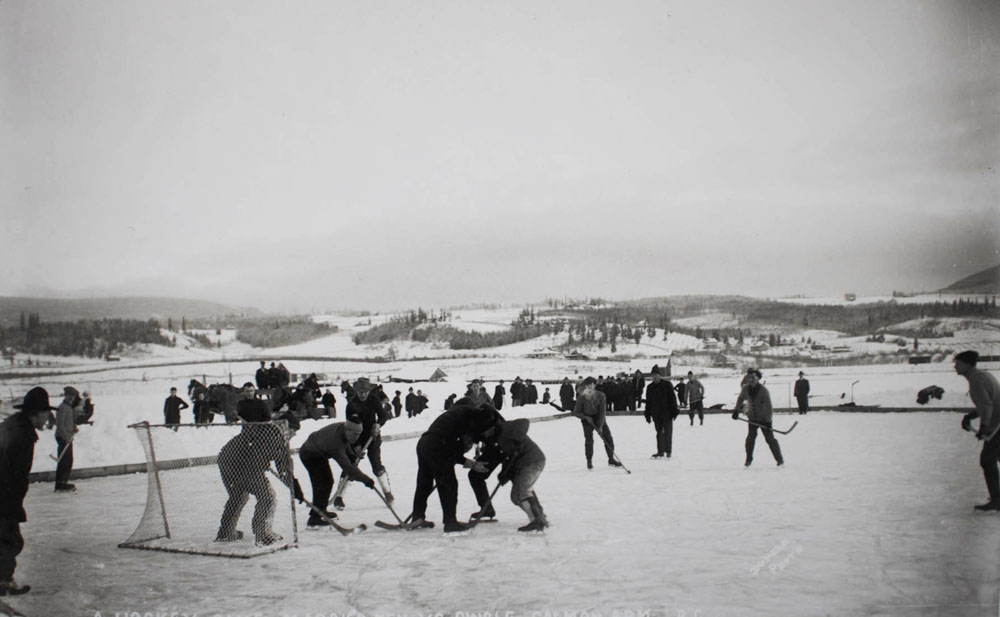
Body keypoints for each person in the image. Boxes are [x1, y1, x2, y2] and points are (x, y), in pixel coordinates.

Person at [215, 385, 296, 545]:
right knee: (267, 497)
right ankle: (263, 534)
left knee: (239, 495)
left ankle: (226, 532)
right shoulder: (273, 435)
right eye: (294, 431)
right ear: (287, 429)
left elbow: (282, 463)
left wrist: (292, 485)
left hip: (228, 461)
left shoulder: (271, 433)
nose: (295, 434)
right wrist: (265, 466)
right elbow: (259, 460)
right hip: (240, 464)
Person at [406, 403, 501, 532]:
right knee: (448, 483)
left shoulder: (460, 413)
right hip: (438, 444)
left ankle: (418, 516)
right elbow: (450, 451)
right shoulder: (466, 421)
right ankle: (450, 522)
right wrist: (470, 463)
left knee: (424, 483)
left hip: (424, 442)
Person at [0, 387, 57, 596]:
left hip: (5, 494)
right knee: (10, 539)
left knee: (8, 538)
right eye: (46, 413)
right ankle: (3, 582)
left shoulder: (13, 425)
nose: (48, 418)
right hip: (5, 495)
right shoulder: (23, 435)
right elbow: (11, 471)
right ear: (37, 412)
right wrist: (12, 503)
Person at [298, 416, 375, 527]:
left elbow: (346, 443)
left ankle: (321, 510)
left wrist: (352, 455)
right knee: (323, 482)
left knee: (326, 481)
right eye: (355, 434)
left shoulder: (344, 428)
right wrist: (366, 480)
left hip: (318, 450)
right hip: (310, 454)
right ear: (347, 430)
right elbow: (348, 468)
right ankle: (314, 518)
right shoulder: (335, 443)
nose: (357, 438)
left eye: (358, 434)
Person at [333, 378, 392, 509]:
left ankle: (388, 493)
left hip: (373, 436)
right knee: (350, 465)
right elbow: (350, 426)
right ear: (356, 391)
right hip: (356, 437)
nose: (363, 394)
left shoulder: (374, 400)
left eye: (365, 391)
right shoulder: (352, 405)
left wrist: (378, 424)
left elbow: (383, 416)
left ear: (369, 391)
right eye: (360, 392)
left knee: (376, 465)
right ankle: (339, 496)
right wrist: (356, 445)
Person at [954, 351, 1000, 512]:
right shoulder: (982, 376)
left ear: (967, 364)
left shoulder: (977, 380)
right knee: (993, 458)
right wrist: (970, 416)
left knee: (987, 460)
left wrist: (984, 427)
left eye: (958, 363)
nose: (955, 367)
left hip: (997, 426)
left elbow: (987, 405)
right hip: (996, 424)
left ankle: (996, 501)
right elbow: (986, 402)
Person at [494, 418, 548, 532]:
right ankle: (540, 516)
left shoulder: (506, 431)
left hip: (532, 462)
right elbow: (508, 458)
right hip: (526, 463)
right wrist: (504, 474)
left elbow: (524, 422)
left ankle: (537, 521)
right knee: (517, 495)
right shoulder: (498, 437)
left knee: (520, 493)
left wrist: (517, 438)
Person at [732, 369, 784, 467]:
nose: (751, 379)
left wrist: (768, 421)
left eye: (753, 377)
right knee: (750, 439)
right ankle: (749, 459)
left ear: (758, 378)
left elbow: (769, 407)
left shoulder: (763, 391)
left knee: (770, 439)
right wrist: (736, 410)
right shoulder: (745, 389)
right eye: (749, 377)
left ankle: (779, 460)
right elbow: (740, 398)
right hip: (752, 418)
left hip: (764, 419)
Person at [573, 377, 619, 469]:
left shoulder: (601, 395)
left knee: (608, 438)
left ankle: (611, 458)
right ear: (585, 386)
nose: (590, 386)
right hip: (586, 419)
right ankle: (589, 460)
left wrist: (601, 426)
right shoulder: (581, 397)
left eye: (592, 384)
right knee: (589, 440)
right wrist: (586, 417)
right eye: (588, 384)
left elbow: (602, 412)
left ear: (595, 385)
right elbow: (576, 412)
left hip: (598, 418)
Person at [644, 371, 679, 458]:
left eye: (656, 375)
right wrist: (647, 414)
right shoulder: (650, 387)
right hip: (656, 414)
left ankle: (668, 451)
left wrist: (674, 411)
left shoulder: (667, 385)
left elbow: (672, 398)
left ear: (659, 375)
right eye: (653, 376)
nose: (655, 377)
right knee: (659, 433)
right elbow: (648, 402)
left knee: (667, 433)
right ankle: (660, 451)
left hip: (667, 413)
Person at [54, 386, 81, 493]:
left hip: (67, 437)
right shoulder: (63, 407)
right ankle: (60, 484)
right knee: (64, 461)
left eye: (73, 397)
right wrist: (66, 437)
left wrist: (74, 427)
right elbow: (60, 425)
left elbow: (69, 421)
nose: (72, 399)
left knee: (68, 461)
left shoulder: (69, 407)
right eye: (70, 396)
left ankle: (63, 482)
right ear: (66, 396)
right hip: (63, 437)